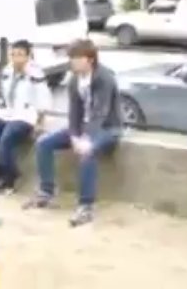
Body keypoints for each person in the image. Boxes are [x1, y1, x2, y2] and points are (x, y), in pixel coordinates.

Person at [23, 38, 122, 227]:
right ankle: (46, 191)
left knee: (87, 152)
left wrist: (84, 140)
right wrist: (75, 135)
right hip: (83, 128)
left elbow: (100, 113)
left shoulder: (104, 78)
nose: (73, 62)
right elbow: (74, 112)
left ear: (90, 59)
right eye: (71, 58)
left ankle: (86, 206)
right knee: (44, 143)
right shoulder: (75, 80)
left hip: (108, 128)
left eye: (77, 58)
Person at [0, 40, 50, 194]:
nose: (16, 59)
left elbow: (43, 98)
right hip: (8, 113)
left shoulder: (35, 73)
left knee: (5, 142)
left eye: (20, 55)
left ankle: (10, 179)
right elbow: (4, 94)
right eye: (13, 54)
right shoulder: (7, 71)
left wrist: (40, 121)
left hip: (25, 115)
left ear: (28, 56)